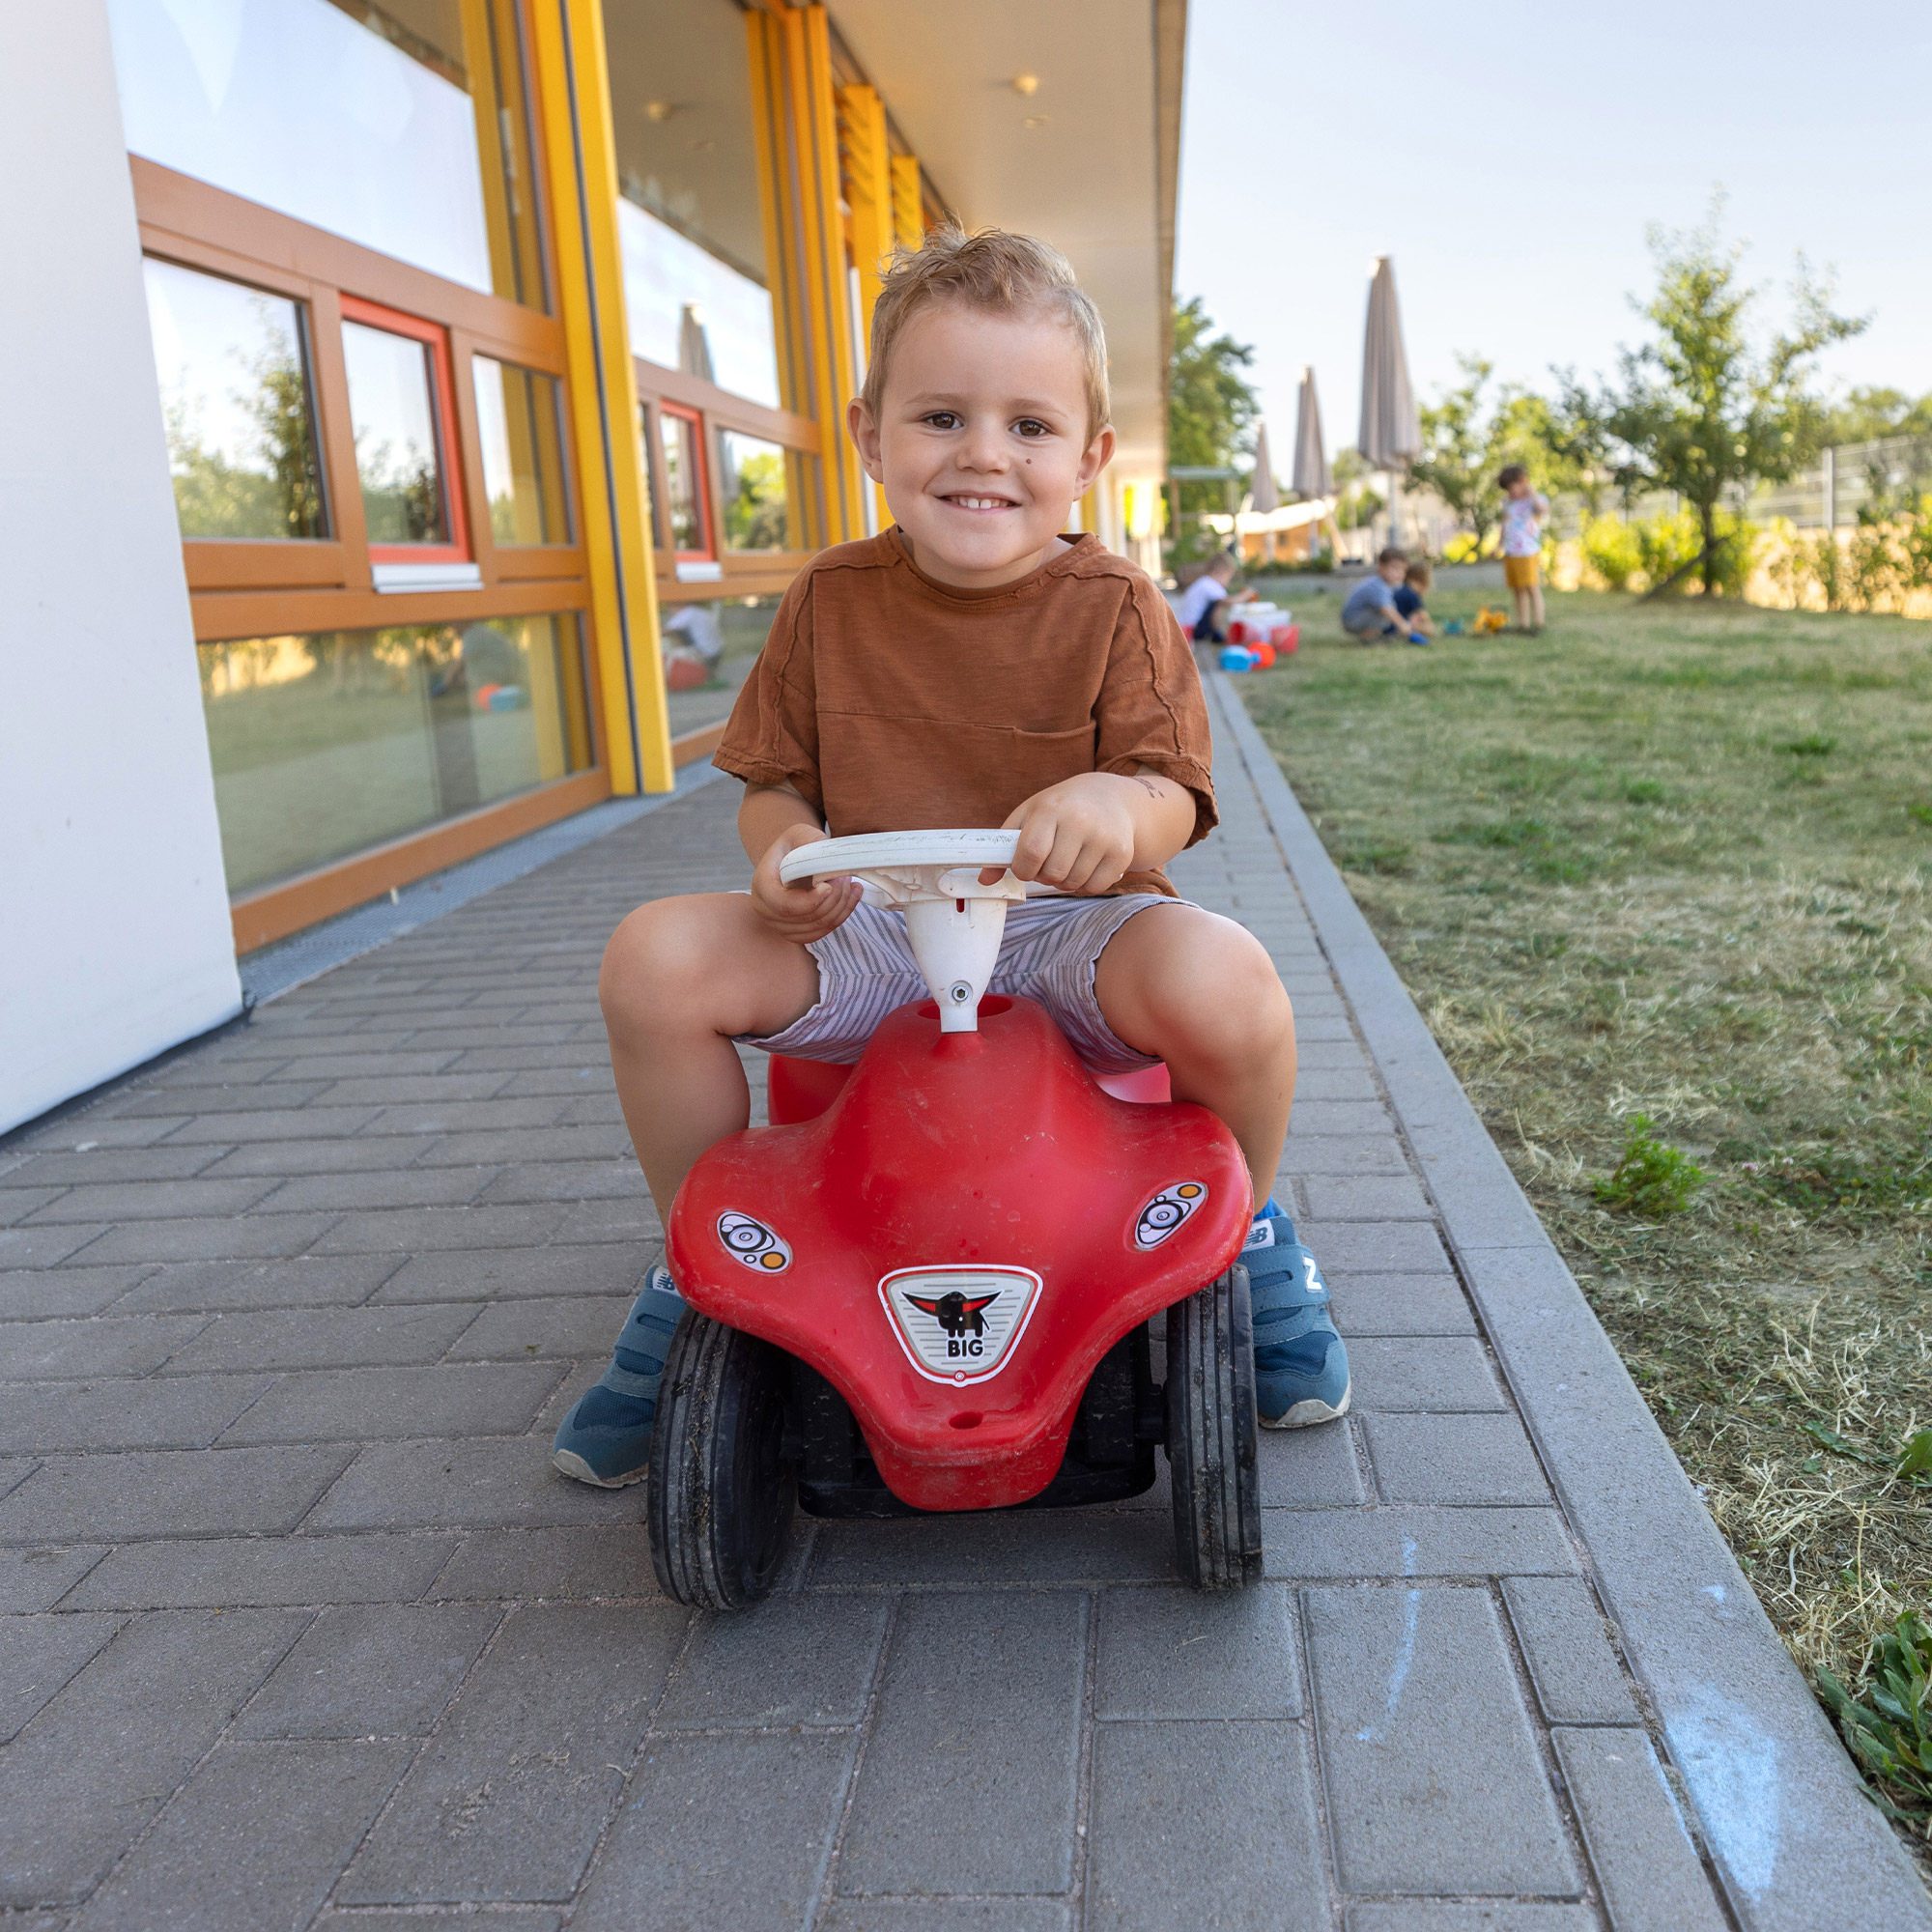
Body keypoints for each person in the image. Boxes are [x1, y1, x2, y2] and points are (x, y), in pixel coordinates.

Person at [550, 226, 1350, 1489]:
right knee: (653, 962)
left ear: (1087, 460)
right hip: (871, 930)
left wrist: (1114, 808)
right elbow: (775, 783)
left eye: (1029, 427)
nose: (984, 453)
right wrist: (788, 854)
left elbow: (1174, 796)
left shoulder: (1118, 606)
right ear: (872, 438)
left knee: (1231, 984)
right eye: (941, 417)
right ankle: (704, 1264)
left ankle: (1241, 1222)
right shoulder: (831, 599)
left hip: (1067, 926)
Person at [1340, 547, 1429, 645]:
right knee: (1388, 615)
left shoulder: (1385, 585)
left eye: (1403, 570)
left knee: (1391, 611)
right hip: (1352, 620)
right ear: (1381, 567)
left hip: (1358, 617)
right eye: (1395, 568)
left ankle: (1371, 637)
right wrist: (1405, 628)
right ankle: (1368, 639)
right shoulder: (1378, 586)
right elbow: (1387, 610)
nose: (1399, 574)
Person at [1498, 464, 1549, 633]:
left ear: (1523, 482)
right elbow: (1504, 524)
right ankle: (1523, 624)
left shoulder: (1536, 499)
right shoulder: (1507, 503)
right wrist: (1499, 544)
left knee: (1531, 587)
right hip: (1511, 551)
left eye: (1511, 487)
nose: (1510, 492)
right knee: (1518, 590)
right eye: (1507, 489)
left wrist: (1532, 494)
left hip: (1528, 551)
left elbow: (1543, 511)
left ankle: (1539, 623)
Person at [1174, 549, 1251, 644]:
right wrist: (1245, 595)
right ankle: (1216, 634)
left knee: (1218, 602)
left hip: (1184, 627)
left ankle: (1216, 634)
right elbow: (1228, 602)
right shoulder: (1210, 584)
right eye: (1229, 577)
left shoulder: (1204, 581)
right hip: (1191, 630)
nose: (1228, 582)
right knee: (1220, 603)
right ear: (1221, 572)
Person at [1392, 558, 1435, 638]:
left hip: (1390, 624)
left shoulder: (1403, 590)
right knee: (1428, 629)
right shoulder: (1412, 595)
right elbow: (1424, 616)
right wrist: (1429, 627)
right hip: (1395, 628)